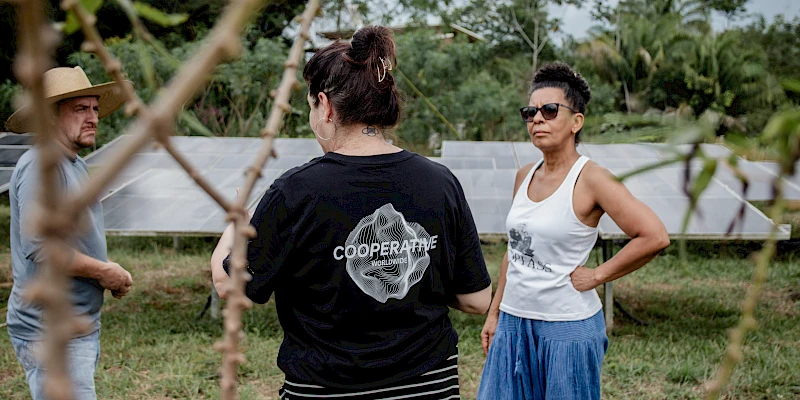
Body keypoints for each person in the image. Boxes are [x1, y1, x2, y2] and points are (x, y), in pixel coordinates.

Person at [210, 25, 492, 399]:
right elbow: (476, 300)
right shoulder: (441, 183)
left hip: (326, 388)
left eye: (310, 107)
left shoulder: (295, 191)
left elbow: (229, 285)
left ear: (325, 105)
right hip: (429, 387)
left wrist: (237, 224)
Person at [477, 62, 670, 400]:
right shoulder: (524, 175)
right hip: (513, 322)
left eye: (550, 110)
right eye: (530, 112)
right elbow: (515, 250)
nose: (537, 119)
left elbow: (654, 236)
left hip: (567, 327)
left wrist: (597, 275)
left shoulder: (591, 178)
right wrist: (495, 313)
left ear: (576, 121)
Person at [5, 66, 134, 400]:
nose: (93, 118)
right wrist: (104, 271)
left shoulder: (72, 163)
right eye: (80, 109)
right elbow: (40, 247)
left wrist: (107, 270)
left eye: (95, 109)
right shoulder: (41, 166)